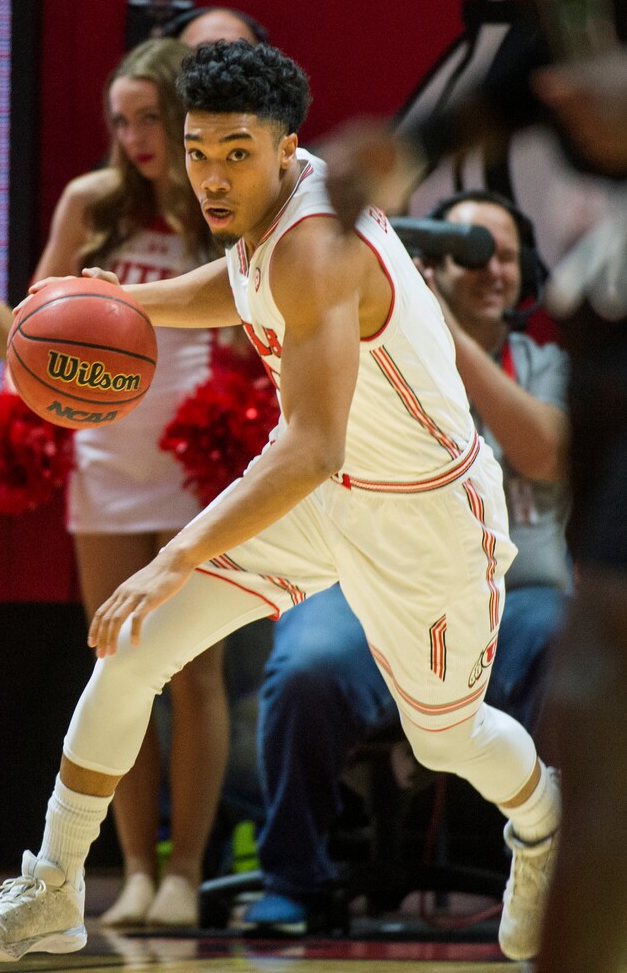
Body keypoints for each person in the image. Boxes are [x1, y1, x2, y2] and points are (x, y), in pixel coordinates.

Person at [0, 40, 560, 964]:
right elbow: (239, 290)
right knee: (135, 644)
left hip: (421, 512)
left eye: (236, 152)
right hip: (327, 490)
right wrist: (136, 305)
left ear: (286, 147)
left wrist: (171, 553)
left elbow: (309, 449)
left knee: (447, 739)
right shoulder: (274, 212)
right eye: (197, 151)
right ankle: (55, 887)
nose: (212, 175)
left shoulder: (316, 241)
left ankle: (543, 828)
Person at [319, 5, 627, 971]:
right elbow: (443, 130)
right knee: (593, 690)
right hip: (611, 349)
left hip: (514, 573)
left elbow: (537, 450)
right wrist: (381, 164)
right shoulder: (564, 26)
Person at [242, 189, 571, 934]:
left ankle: (550, 862)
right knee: (307, 665)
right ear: (423, 261)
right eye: (470, 253)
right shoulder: (364, 342)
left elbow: (543, 451)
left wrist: (447, 330)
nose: (492, 270)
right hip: (369, 578)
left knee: (568, 645)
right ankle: (293, 878)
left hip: (517, 595)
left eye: (506, 255)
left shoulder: (544, 362)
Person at [0, 36, 231, 930]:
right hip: (107, 465)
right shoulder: (91, 203)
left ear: (179, 112)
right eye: (121, 121)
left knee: (192, 672)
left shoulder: (215, 205)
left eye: (150, 117)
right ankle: (135, 874)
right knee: (119, 666)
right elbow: (30, 339)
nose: (136, 136)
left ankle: (189, 870)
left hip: (200, 459)